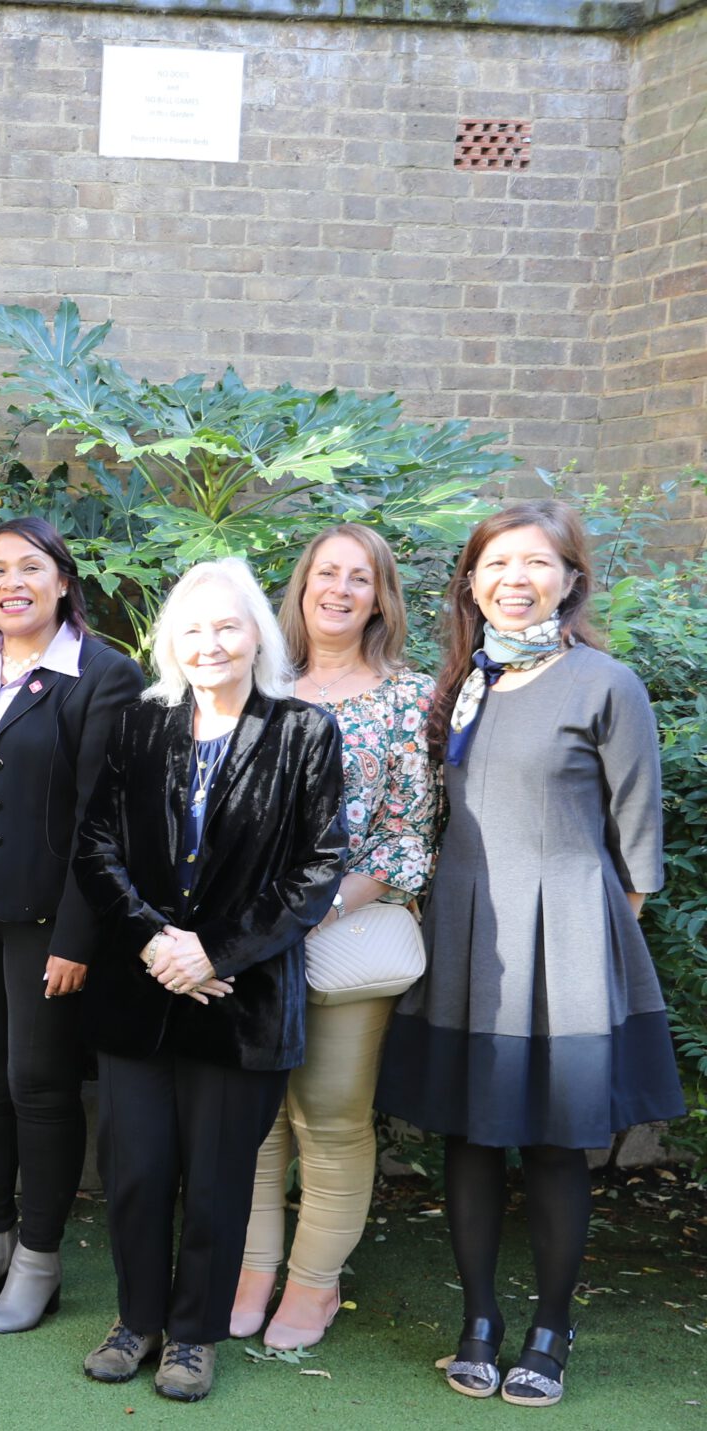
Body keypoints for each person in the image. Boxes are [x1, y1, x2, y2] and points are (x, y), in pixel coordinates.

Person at [377, 500, 683, 1408]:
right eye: (498, 563)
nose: (517, 578)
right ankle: (478, 1321)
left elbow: (636, 846)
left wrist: (585, 940)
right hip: (469, 932)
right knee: (470, 1137)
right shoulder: (463, 682)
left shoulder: (605, 683)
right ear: (472, 582)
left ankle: (551, 1330)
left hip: (567, 935)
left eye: (538, 562)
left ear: (571, 579)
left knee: (554, 1142)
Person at [72, 558, 346, 1403]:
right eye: (192, 628)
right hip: (139, 994)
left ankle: (193, 1335)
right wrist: (157, 942)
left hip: (242, 1004)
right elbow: (96, 845)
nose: (210, 643)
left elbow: (319, 868)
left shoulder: (303, 731)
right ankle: (136, 1321)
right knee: (136, 1171)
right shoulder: (140, 725)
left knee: (221, 1182)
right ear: (170, 642)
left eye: (227, 625)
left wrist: (214, 952)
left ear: (257, 633)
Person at [0, 517, 144, 1333]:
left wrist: (77, 939)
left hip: (48, 920)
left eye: (29, 567)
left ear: (62, 580)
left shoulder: (104, 676)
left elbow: (103, 820)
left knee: (39, 1084)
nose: (10, 583)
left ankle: (39, 1261)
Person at [233, 524, 440, 1350]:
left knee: (328, 1115)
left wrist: (318, 906)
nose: (340, 589)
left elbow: (408, 836)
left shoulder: (408, 697)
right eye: (327, 573)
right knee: (253, 1118)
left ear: (381, 597)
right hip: (249, 938)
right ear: (302, 585)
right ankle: (251, 1269)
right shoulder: (258, 684)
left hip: (343, 932)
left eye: (360, 577)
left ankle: (313, 1283)